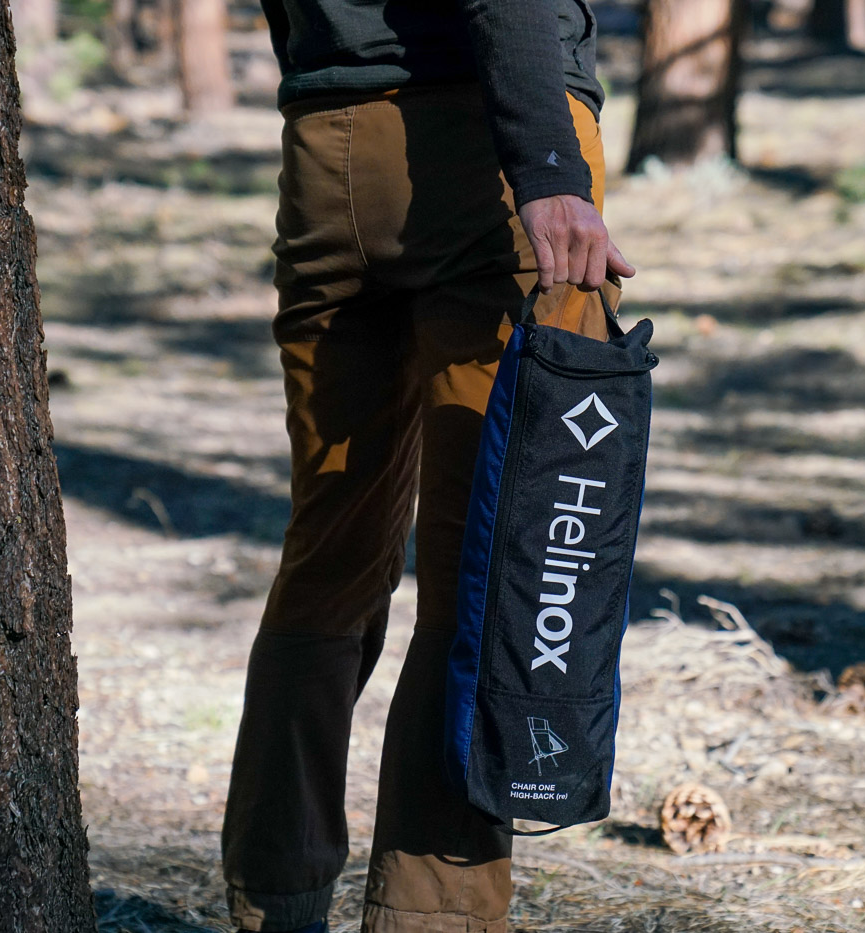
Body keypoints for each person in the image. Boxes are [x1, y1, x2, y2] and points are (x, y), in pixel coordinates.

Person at [221, 2, 636, 932]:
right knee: (480, 582)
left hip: (323, 151)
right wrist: (551, 169)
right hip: (490, 147)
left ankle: (272, 897)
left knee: (328, 556)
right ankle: (430, 915)